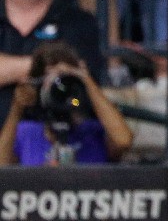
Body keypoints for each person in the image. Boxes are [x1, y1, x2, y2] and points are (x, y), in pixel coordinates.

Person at [0, 0, 106, 120]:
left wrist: (11, 69)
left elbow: (83, 91)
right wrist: (42, 67)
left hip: (55, 137)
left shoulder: (77, 21)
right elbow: (69, 67)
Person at [0, 40, 132, 165]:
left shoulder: (92, 133)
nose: (60, 89)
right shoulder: (27, 133)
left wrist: (84, 78)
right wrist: (17, 107)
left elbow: (123, 141)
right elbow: (2, 165)